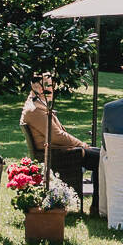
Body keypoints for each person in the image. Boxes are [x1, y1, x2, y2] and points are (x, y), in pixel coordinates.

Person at [20, 74, 100, 211]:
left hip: (58, 151)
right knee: (102, 159)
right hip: (56, 155)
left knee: (101, 154)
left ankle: (98, 205)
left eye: (52, 85)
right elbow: (56, 136)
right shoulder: (35, 109)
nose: (51, 89)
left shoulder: (38, 105)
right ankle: (97, 206)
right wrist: (82, 145)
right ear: (36, 87)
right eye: (48, 85)